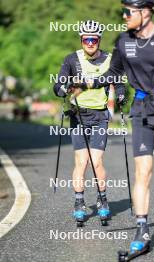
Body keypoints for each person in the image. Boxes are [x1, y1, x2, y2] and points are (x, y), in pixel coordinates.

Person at [81, 0, 154, 253]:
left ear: (146, 11)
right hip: (142, 109)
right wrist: (87, 85)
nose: (123, 16)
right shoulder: (124, 42)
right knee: (142, 171)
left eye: (128, 11)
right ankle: (142, 231)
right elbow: (113, 73)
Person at [53, 20, 113, 224]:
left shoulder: (109, 59)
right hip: (78, 116)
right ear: (81, 40)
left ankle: (102, 200)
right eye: (86, 39)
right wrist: (60, 89)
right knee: (82, 161)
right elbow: (59, 82)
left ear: (98, 40)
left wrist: (121, 95)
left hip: (100, 116)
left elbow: (118, 81)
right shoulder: (71, 59)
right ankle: (79, 203)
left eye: (93, 39)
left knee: (96, 162)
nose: (90, 43)